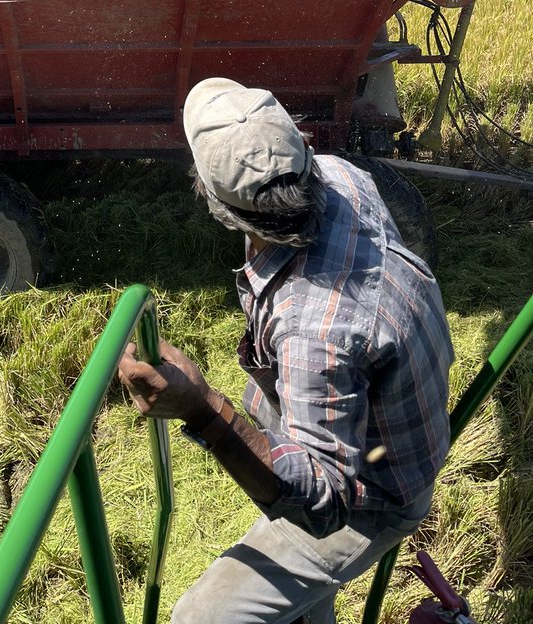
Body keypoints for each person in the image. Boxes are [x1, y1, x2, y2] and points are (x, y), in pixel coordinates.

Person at [117, 78, 453, 624]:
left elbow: (325, 504)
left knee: (200, 618)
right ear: (299, 146)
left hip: (377, 492)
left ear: (217, 205)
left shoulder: (314, 331)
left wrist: (203, 406)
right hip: (396, 422)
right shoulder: (343, 175)